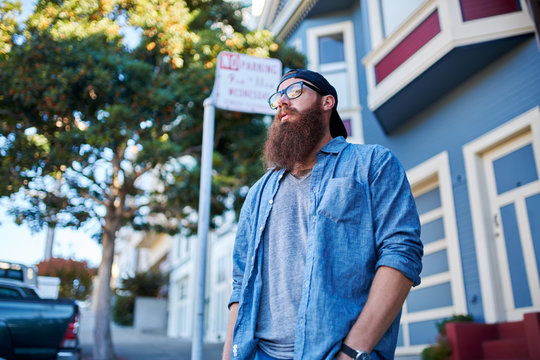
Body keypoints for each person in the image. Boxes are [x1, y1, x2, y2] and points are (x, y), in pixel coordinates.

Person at [222, 69, 423, 360]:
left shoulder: (372, 164)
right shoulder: (258, 193)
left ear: (327, 102)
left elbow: (401, 254)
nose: (282, 102)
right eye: (278, 97)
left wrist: (353, 352)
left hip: (336, 353)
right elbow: (241, 283)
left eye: (295, 91)